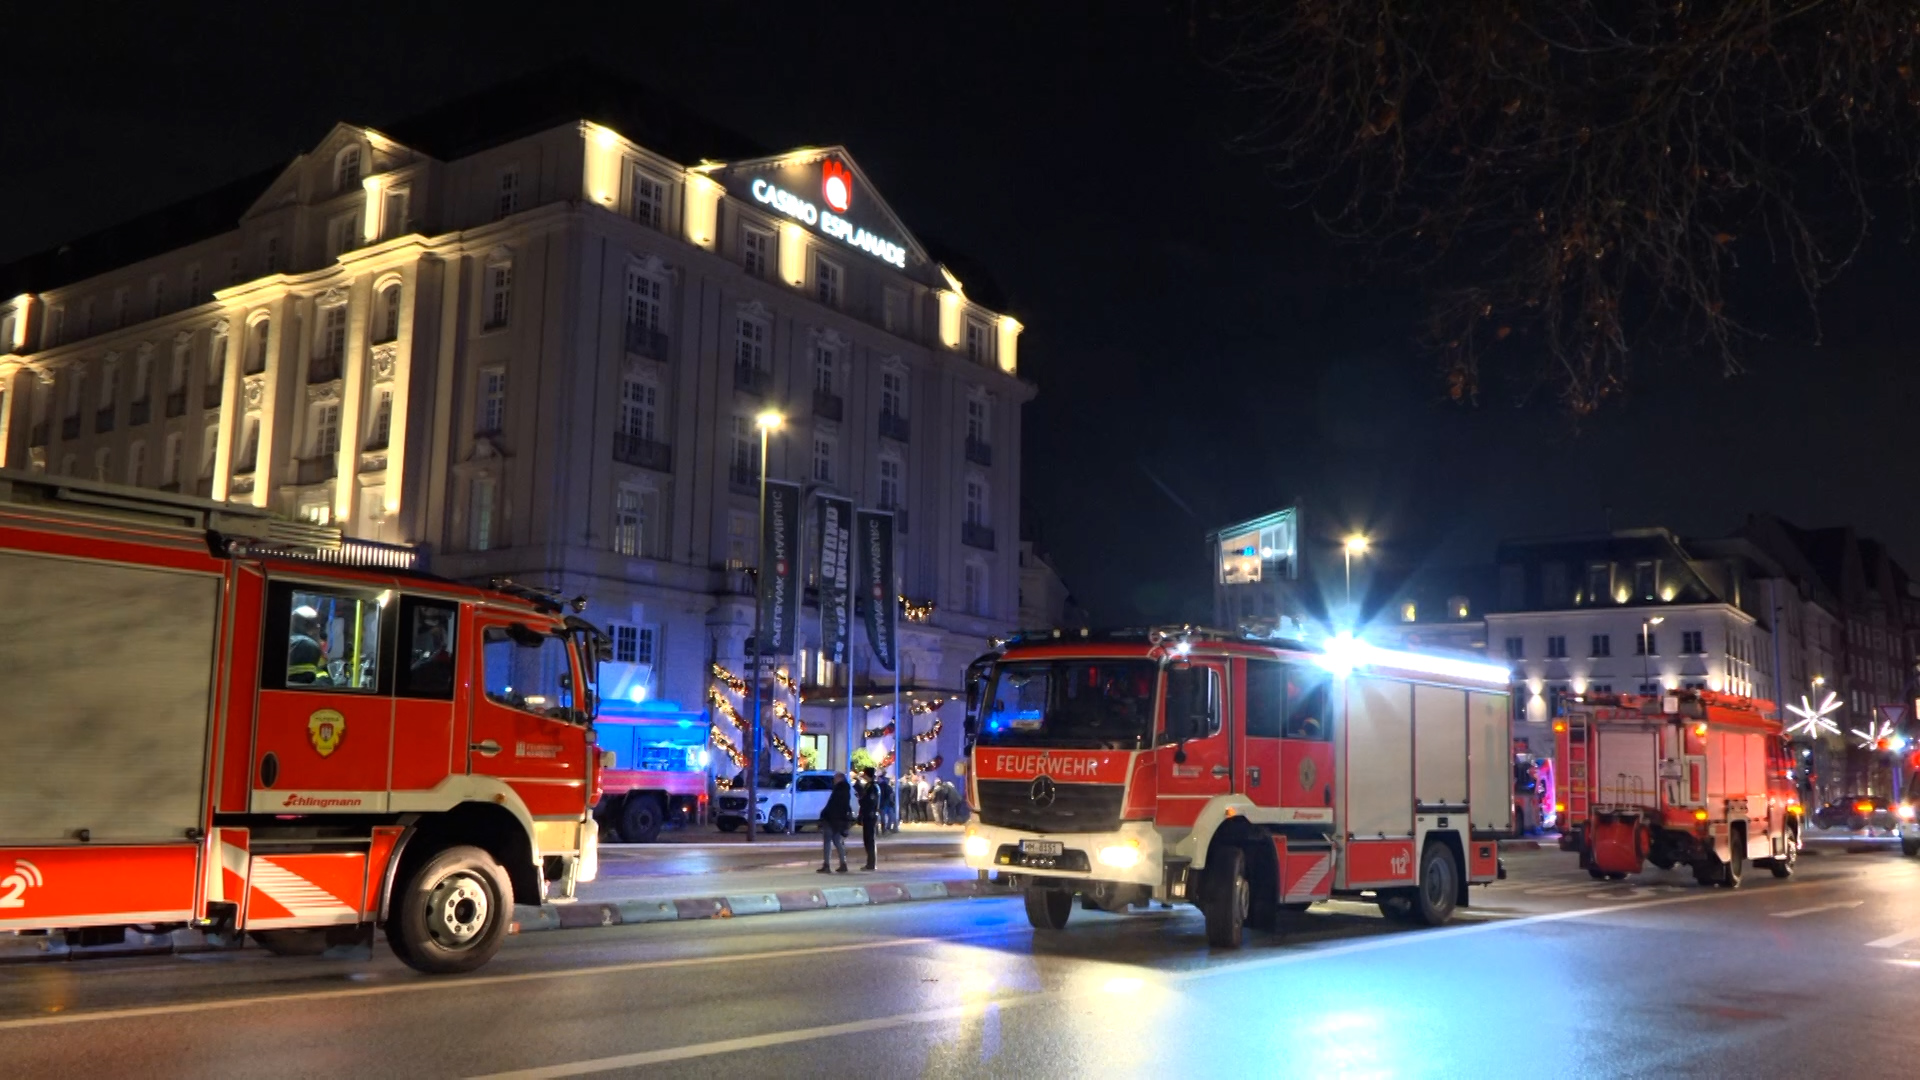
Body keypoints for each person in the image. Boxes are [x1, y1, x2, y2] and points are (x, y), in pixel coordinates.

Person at [817, 772, 852, 874]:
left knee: (827, 841)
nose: (834, 780)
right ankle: (843, 863)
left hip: (832, 819)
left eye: (835, 778)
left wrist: (824, 814)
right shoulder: (846, 790)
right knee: (837, 840)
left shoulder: (838, 790)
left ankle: (827, 864)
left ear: (839, 778)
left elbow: (832, 805)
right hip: (839, 819)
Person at [287, 611, 330, 686]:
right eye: (315, 624)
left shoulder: (293, 642)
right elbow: (304, 680)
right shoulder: (306, 644)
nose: (318, 627)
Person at [857, 766, 880, 871]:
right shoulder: (871, 786)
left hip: (870, 815)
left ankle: (871, 864)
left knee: (869, 840)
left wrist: (861, 798)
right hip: (869, 815)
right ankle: (870, 863)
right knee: (868, 840)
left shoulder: (872, 787)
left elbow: (870, 801)